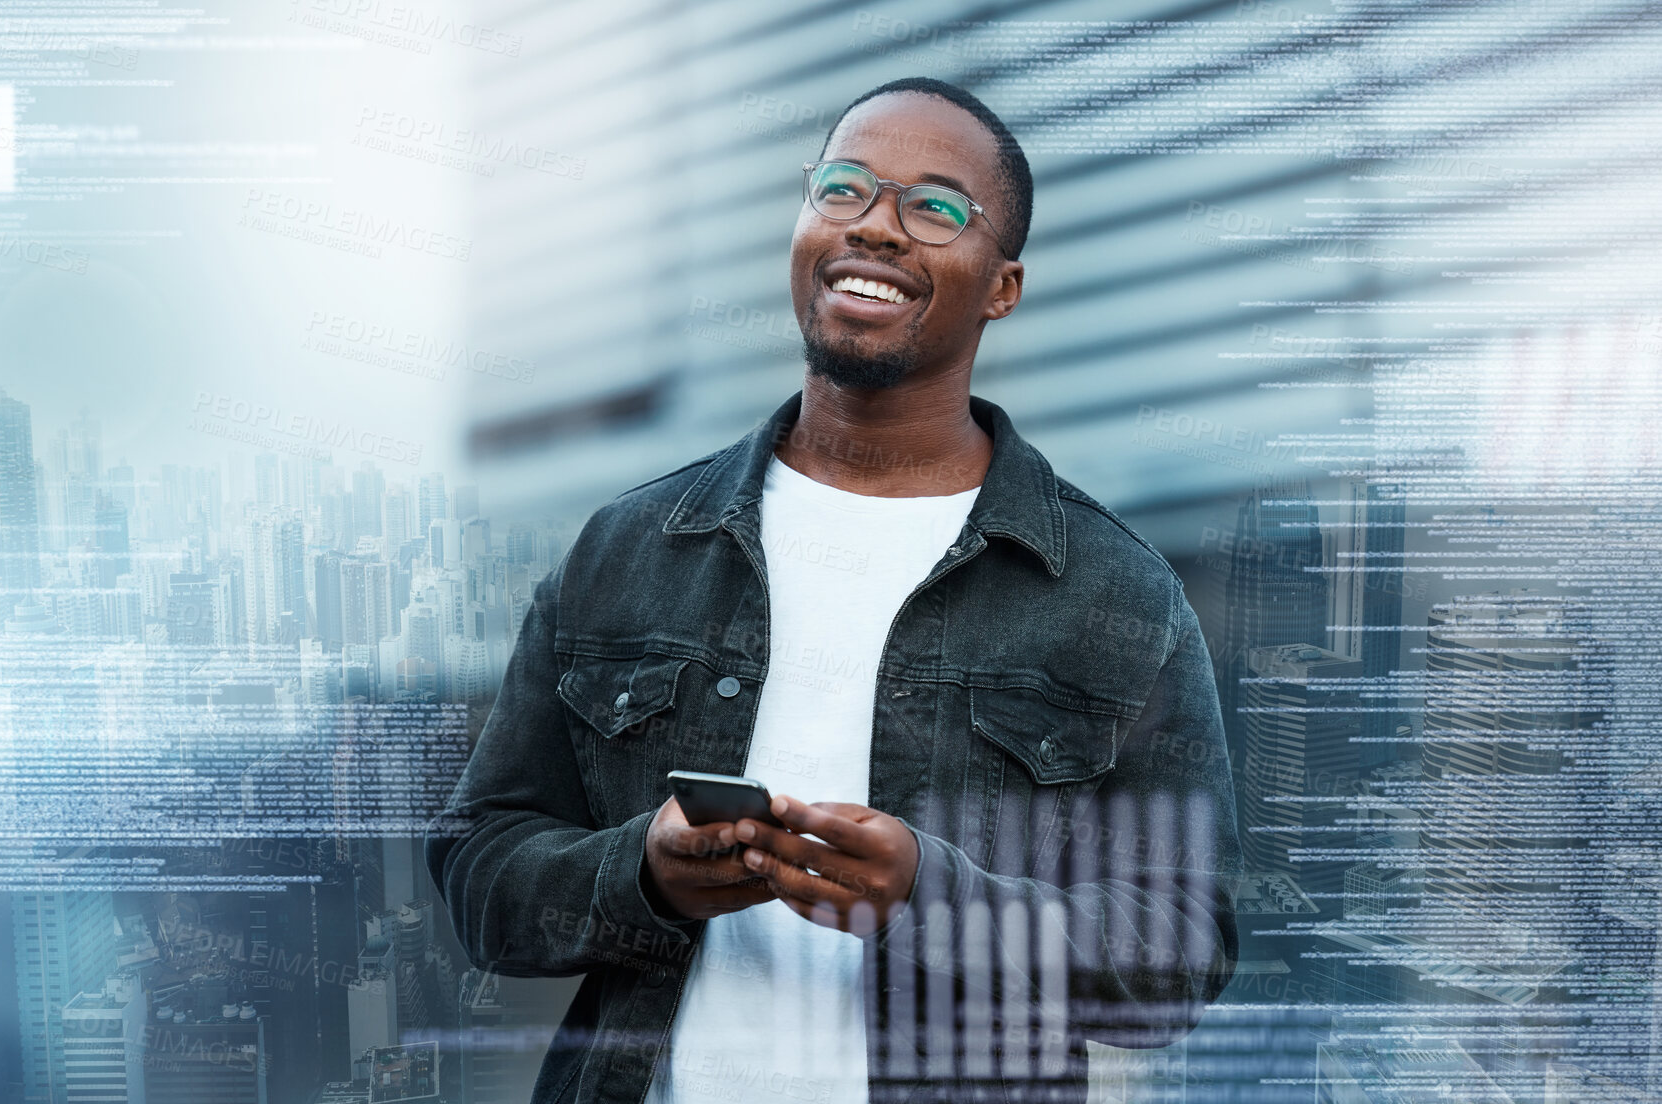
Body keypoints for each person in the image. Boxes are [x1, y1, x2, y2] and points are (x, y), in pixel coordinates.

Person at [425, 77, 1241, 1104]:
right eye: (844, 189)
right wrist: (642, 873)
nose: (877, 228)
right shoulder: (626, 550)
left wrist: (928, 897)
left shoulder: (1112, 592)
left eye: (935, 208)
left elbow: (1179, 957)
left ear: (1001, 286)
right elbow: (481, 873)